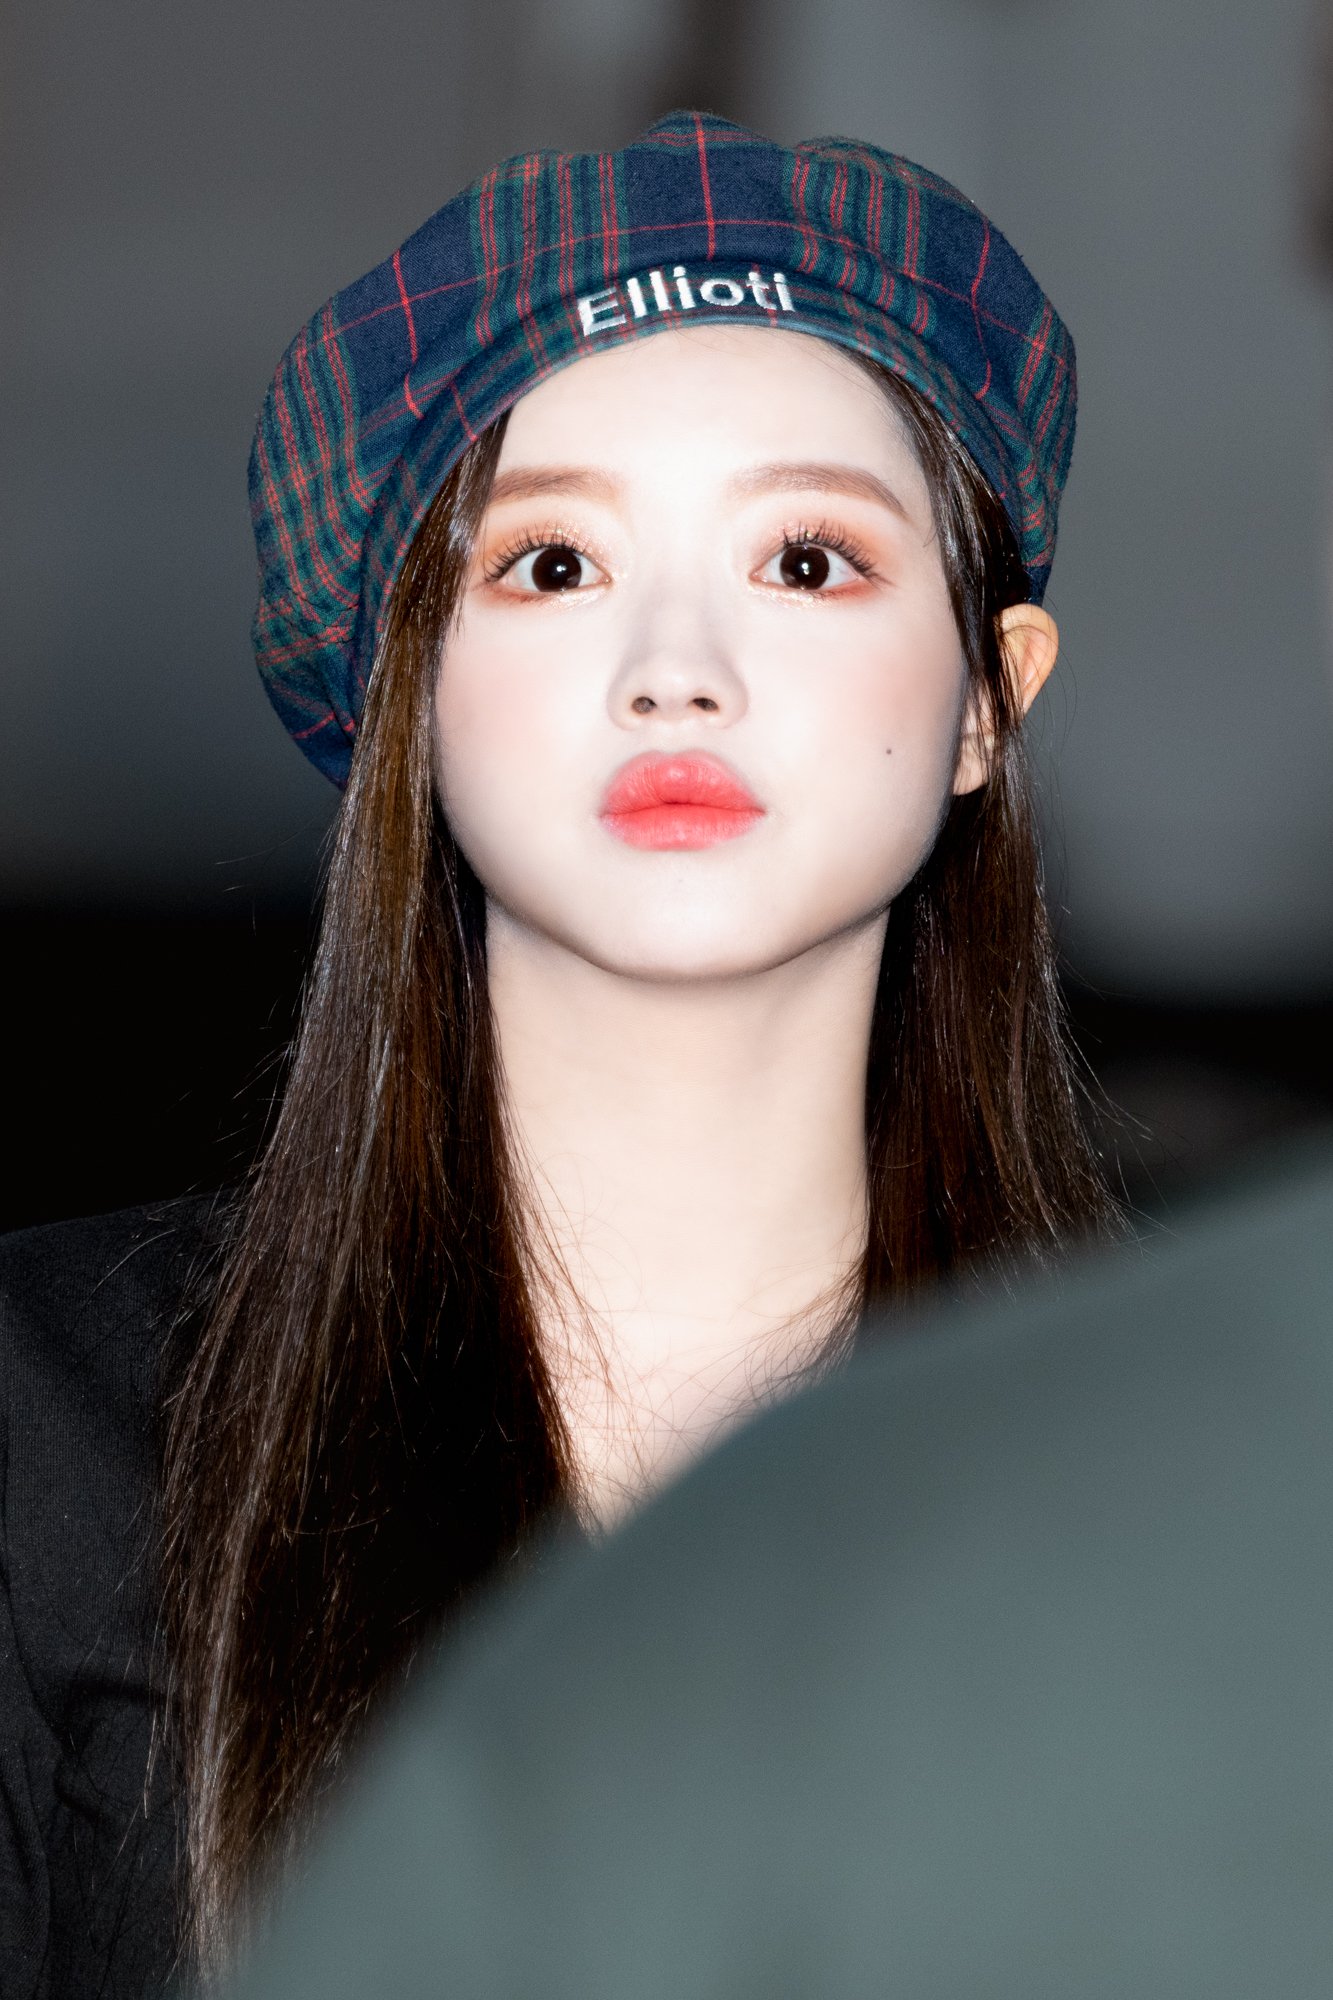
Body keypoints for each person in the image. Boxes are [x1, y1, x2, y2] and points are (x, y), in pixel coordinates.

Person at [0, 110, 1113, 1997]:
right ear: (410, 699)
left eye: (806, 560)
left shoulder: (1217, 1466)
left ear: (984, 703)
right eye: (550, 566)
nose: (673, 666)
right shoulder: (50, 1426)